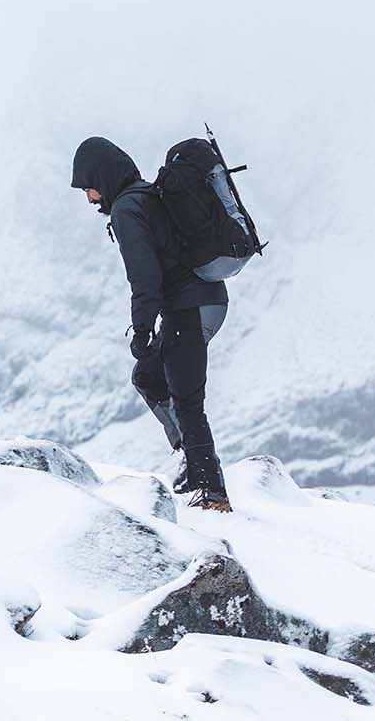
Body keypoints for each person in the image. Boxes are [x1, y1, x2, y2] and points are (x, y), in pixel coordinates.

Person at [71, 136, 232, 512]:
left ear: (101, 177)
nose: (90, 198)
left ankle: (213, 496)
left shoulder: (127, 210)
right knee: (148, 376)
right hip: (204, 301)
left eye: (89, 188)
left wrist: (142, 330)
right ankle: (193, 467)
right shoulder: (143, 195)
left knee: (187, 399)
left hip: (190, 307)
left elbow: (144, 278)